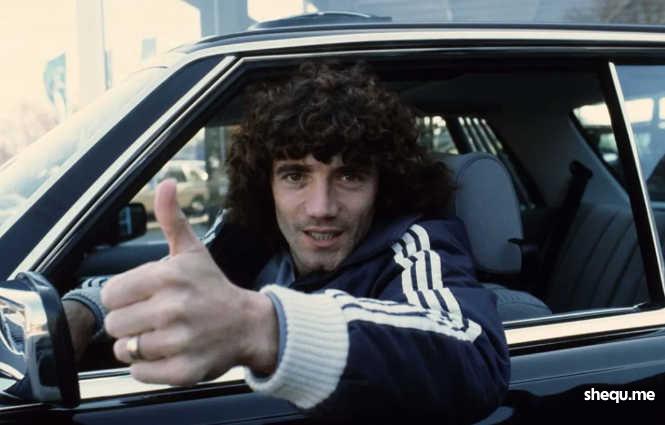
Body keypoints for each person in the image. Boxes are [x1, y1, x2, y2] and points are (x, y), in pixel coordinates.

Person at [63, 62, 510, 422]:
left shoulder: (417, 245)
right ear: (267, 185)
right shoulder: (251, 236)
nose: (321, 207)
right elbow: (179, 290)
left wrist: (263, 328)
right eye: (295, 176)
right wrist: (88, 309)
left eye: (350, 176)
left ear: (384, 184)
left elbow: (473, 354)